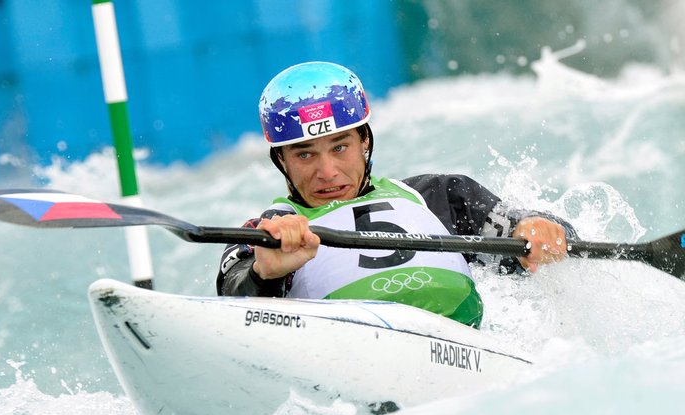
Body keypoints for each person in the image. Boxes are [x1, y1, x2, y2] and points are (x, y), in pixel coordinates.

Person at [217, 62, 574, 328]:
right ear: (281, 160)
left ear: (364, 142)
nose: (327, 172)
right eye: (305, 154)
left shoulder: (439, 197)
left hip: (468, 354)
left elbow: (542, 236)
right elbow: (232, 300)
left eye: (340, 147)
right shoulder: (268, 233)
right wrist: (266, 274)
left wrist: (541, 230)